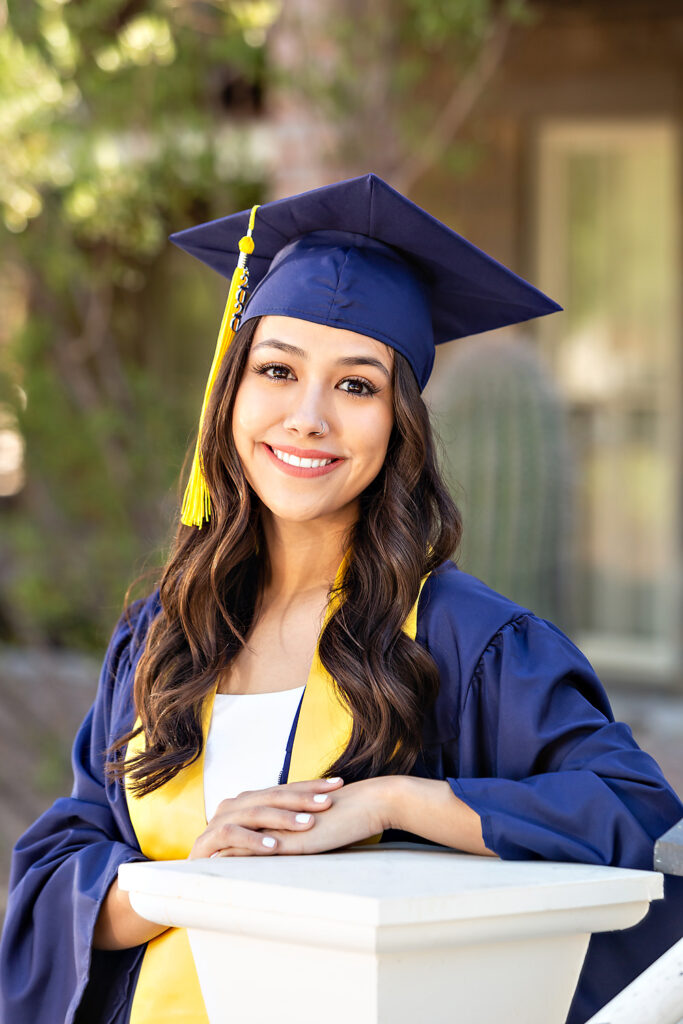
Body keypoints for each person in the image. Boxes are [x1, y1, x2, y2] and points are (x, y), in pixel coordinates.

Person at [1, 173, 681, 1024]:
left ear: (399, 422)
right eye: (277, 370)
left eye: (356, 385)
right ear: (232, 394)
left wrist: (390, 803)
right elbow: (65, 864)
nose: (308, 417)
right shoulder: (164, 634)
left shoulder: (467, 640)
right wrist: (186, 885)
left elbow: (634, 811)